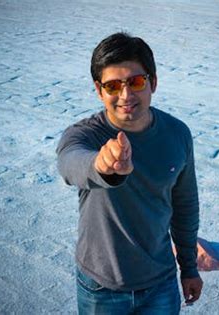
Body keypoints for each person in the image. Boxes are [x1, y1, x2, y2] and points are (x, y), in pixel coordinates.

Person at [56, 32, 203, 314]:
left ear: (153, 82)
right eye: (113, 86)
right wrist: (102, 166)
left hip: (161, 283)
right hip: (101, 287)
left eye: (136, 82)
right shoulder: (85, 135)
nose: (126, 96)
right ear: (99, 91)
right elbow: (70, 163)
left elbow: (185, 207)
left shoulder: (177, 134)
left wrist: (189, 268)